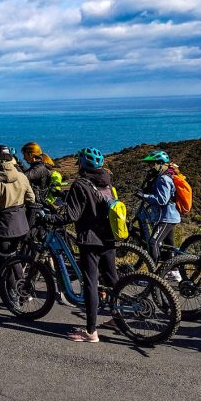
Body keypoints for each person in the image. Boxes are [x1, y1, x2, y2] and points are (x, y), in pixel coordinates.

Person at [47, 147, 118, 343]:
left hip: (91, 240)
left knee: (90, 284)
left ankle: (90, 332)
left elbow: (72, 215)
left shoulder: (81, 184)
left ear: (82, 164)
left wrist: (49, 218)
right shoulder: (106, 182)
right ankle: (119, 319)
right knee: (113, 280)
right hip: (109, 238)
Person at [0, 145, 35, 283]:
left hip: (3, 225)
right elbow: (31, 198)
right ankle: (23, 287)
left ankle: (12, 291)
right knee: (14, 255)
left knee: (5, 259)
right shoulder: (22, 177)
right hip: (21, 223)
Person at [139, 150, 181, 264]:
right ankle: (173, 272)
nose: (150, 166)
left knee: (153, 242)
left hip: (166, 217)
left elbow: (162, 200)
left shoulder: (163, 179)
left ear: (160, 163)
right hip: (169, 216)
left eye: (152, 164)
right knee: (168, 246)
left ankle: (154, 275)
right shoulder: (163, 176)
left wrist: (144, 196)